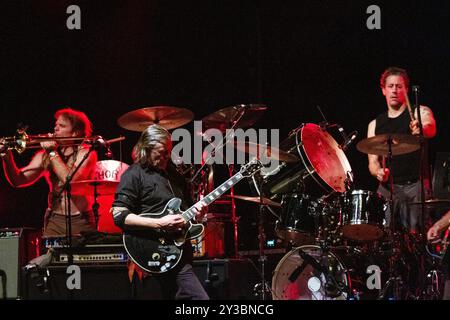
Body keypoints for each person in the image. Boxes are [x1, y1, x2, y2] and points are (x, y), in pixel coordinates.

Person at [111, 124, 209, 300]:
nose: (166, 157)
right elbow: (119, 215)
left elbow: (187, 213)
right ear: (146, 149)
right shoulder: (134, 175)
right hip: (150, 249)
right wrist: (159, 223)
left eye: (168, 152)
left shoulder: (175, 176)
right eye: (161, 152)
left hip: (178, 252)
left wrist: (199, 216)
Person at [0, 108, 98, 238]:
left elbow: (70, 181)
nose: (55, 129)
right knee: (51, 257)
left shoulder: (86, 153)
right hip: (54, 220)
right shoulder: (45, 155)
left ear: (75, 133)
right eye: (56, 125)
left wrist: (52, 153)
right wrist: (7, 158)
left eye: (61, 126)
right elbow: (18, 180)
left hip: (80, 220)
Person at [367, 67, 436, 232]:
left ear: (406, 89)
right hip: (387, 190)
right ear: (383, 90)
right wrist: (378, 172)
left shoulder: (420, 112)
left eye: (399, 86)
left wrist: (421, 128)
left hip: (415, 186)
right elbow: (372, 162)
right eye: (390, 86)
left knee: (416, 238)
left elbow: (430, 127)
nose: (394, 90)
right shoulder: (375, 124)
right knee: (380, 236)